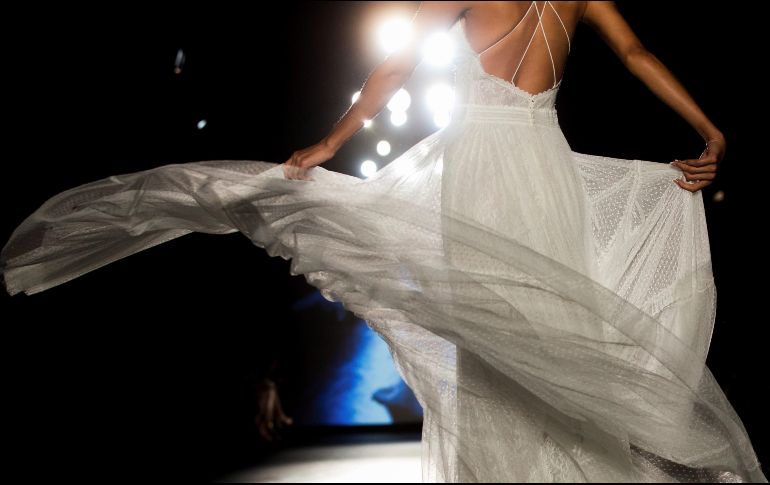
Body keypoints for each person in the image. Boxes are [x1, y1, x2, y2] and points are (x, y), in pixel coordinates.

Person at [1, 1, 766, 482]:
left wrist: (333, 139)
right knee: (543, 325)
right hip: (546, 169)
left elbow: (397, 65)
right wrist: (708, 126)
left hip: (482, 171)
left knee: (491, 339)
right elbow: (637, 56)